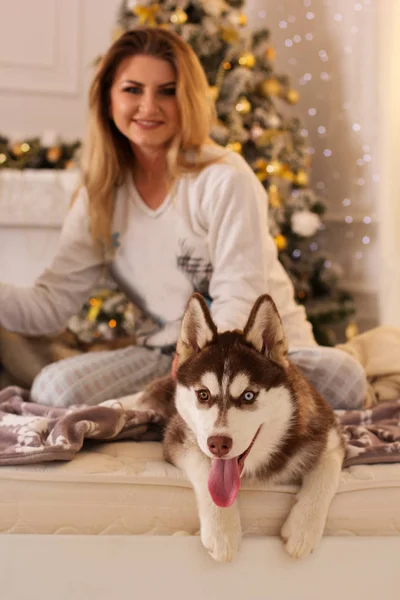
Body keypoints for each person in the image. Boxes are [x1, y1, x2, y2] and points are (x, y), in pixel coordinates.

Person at [0, 27, 366, 410]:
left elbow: (238, 299)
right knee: (54, 389)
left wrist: (198, 372)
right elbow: (48, 307)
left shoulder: (226, 178)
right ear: (108, 99)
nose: (148, 106)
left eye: (167, 91)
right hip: (169, 352)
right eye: (132, 89)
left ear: (188, 99)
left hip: (261, 353)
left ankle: (157, 408)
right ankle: (169, 406)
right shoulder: (100, 195)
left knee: (346, 379)